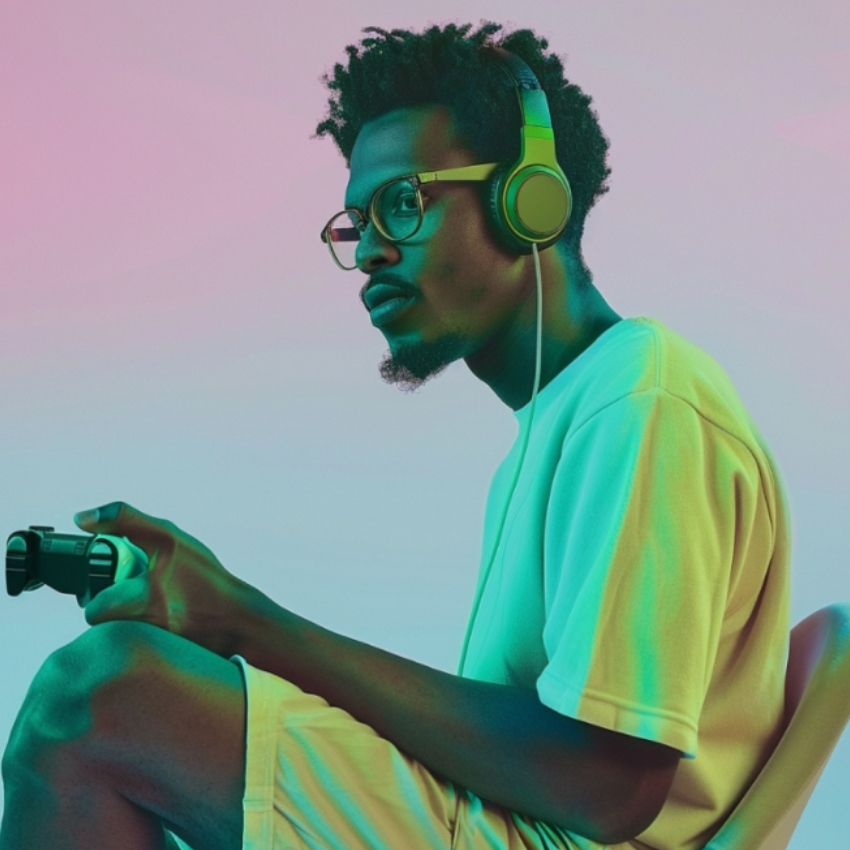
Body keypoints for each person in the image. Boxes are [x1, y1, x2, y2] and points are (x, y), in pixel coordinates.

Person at [0, 21, 791, 850]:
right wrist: (225, 625)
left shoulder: (642, 402)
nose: (372, 251)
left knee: (100, 695)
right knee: (114, 701)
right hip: (508, 825)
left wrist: (243, 622)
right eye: (356, 225)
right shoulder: (561, 421)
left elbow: (608, 784)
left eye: (403, 203)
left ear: (531, 199)